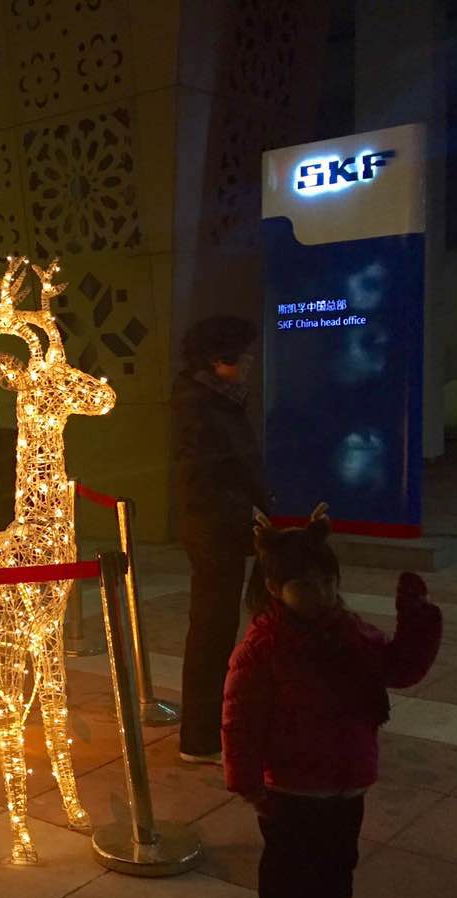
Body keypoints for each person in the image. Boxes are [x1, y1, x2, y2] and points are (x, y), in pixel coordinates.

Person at [222, 506, 443, 898]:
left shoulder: (351, 633)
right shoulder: (264, 648)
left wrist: (416, 623)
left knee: (336, 873)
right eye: (305, 585)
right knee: (285, 878)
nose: (321, 594)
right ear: (274, 588)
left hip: (346, 788)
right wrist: (247, 783)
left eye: (327, 582)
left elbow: (398, 668)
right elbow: (240, 721)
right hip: (289, 792)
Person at [171, 314, 268, 762]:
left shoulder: (217, 400)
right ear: (216, 359)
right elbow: (203, 478)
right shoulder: (199, 405)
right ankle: (199, 738)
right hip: (215, 531)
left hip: (223, 527)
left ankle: (211, 728)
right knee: (211, 632)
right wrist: (247, 510)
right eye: (242, 355)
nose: (249, 362)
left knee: (216, 628)